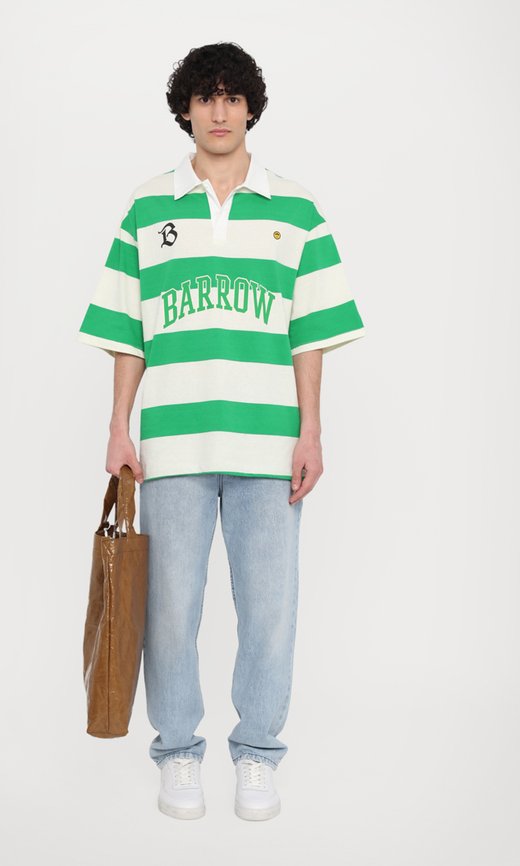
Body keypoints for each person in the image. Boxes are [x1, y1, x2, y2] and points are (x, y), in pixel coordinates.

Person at [77, 41, 365, 821]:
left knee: (269, 609)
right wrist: (118, 427)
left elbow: (309, 336)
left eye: (233, 96)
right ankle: (177, 750)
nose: (219, 110)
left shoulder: (296, 209)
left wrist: (311, 433)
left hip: (270, 448)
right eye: (205, 96)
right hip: (172, 447)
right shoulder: (148, 207)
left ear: (251, 108)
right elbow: (128, 332)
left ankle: (258, 755)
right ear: (185, 109)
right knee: (170, 610)